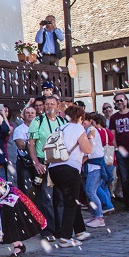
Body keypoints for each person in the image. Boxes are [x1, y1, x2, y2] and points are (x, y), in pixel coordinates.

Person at [46, 105, 92, 246]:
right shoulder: (78, 128)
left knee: (71, 199)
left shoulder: (60, 128)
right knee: (70, 203)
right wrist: (90, 139)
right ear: (80, 117)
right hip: (69, 168)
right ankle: (64, 238)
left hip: (54, 168)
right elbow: (87, 149)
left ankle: (80, 231)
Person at [27, 94, 66, 240]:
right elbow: (31, 143)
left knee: (60, 196)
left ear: (57, 106)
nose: (49, 106)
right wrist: (36, 163)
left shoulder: (62, 121)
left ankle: (61, 228)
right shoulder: (38, 120)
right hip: (44, 161)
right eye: (47, 104)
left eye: (52, 104)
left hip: (59, 161)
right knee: (46, 197)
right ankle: (48, 230)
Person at [82, 113, 111, 229]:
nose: (83, 123)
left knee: (91, 191)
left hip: (95, 164)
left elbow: (89, 148)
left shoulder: (91, 129)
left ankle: (99, 217)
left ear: (90, 121)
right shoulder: (85, 130)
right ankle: (94, 215)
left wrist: (81, 161)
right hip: (89, 165)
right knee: (88, 191)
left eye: (85, 121)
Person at [13, 105, 37, 194]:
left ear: (36, 115)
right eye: (27, 113)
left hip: (39, 161)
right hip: (24, 162)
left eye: (32, 113)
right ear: (23, 115)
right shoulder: (19, 129)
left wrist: (29, 142)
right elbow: (21, 146)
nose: (30, 115)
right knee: (24, 189)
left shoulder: (40, 128)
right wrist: (35, 142)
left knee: (40, 189)